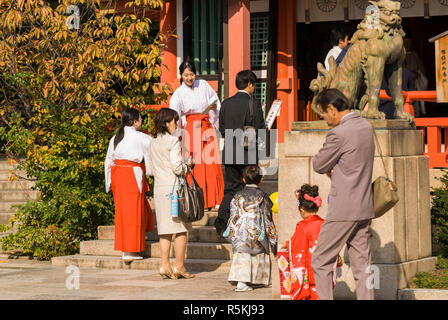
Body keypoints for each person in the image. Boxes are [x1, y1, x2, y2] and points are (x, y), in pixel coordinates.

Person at [311, 88, 375, 300]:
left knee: (321, 259)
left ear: (332, 108)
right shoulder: (366, 126)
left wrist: (333, 169)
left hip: (343, 207)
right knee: (363, 263)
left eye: (324, 114)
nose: (325, 119)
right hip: (365, 204)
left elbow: (319, 164)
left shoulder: (339, 133)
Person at [215, 70, 266, 236]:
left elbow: (221, 128)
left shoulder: (226, 103)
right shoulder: (254, 103)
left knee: (230, 189)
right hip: (248, 153)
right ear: (250, 84)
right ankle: (247, 224)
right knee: (249, 189)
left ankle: (222, 220)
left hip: (230, 152)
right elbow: (260, 129)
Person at [169, 59, 224, 210]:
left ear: (195, 74)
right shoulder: (178, 94)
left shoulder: (204, 85)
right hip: (191, 128)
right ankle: (198, 199)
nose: (189, 78)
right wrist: (177, 136)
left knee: (212, 163)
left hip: (207, 126)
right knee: (197, 164)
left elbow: (215, 103)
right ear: (181, 75)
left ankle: (215, 199)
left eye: (192, 74)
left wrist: (215, 123)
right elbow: (175, 115)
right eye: (186, 75)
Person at [148, 108, 195, 279]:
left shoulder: (152, 143)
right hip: (174, 190)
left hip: (160, 189)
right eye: (174, 121)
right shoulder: (173, 142)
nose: (176, 124)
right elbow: (176, 167)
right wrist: (188, 166)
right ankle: (180, 266)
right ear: (167, 123)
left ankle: (164, 265)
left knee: (165, 230)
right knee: (181, 229)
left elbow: (151, 168)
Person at [105, 108, 154, 262]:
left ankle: (126, 248)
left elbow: (109, 160)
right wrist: (152, 172)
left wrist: (109, 182)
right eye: (140, 119)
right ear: (135, 121)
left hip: (118, 175)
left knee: (123, 213)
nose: (141, 121)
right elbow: (152, 155)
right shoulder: (143, 138)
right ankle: (130, 250)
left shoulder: (116, 137)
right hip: (132, 174)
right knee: (133, 213)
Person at [224, 165, 277, 292]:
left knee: (243, 254)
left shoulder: (237, 196)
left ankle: (243, 281)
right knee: (258, 253)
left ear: (243, 180)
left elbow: (233, 216)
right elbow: (268, 220)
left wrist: (232, 233)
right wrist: (273, 240)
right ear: (261, 179)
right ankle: (252, 280)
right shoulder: (263, 197)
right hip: (256, 231)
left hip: (240, 231)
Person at [281, 184, 338, 300]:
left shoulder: (302, 226)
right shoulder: (326, 224)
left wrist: (287, 245)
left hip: (312, 272)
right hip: (326, 269)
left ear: (301, 209)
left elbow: (298, 246)